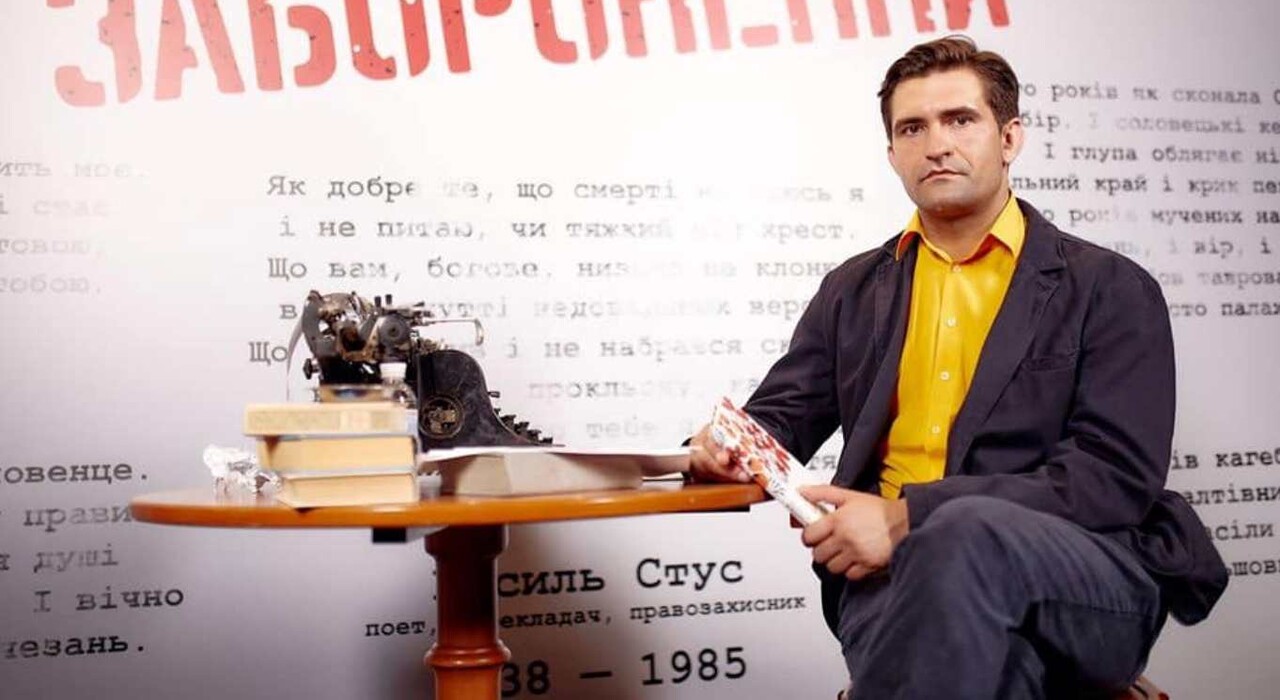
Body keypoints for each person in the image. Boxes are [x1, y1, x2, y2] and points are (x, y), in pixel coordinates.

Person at [689, 36, 1227, 698]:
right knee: (991, 667)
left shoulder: (1110, 287)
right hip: (888, 582)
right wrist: (722, 446)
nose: (936, 144)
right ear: (893, 154)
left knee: (961, 534)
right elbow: (780, 417)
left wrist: (907, 517)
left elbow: (1111, 479)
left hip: (1084, 576)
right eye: (912, 128)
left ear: (1010, 137)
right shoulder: (852, 290)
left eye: (960, 120)